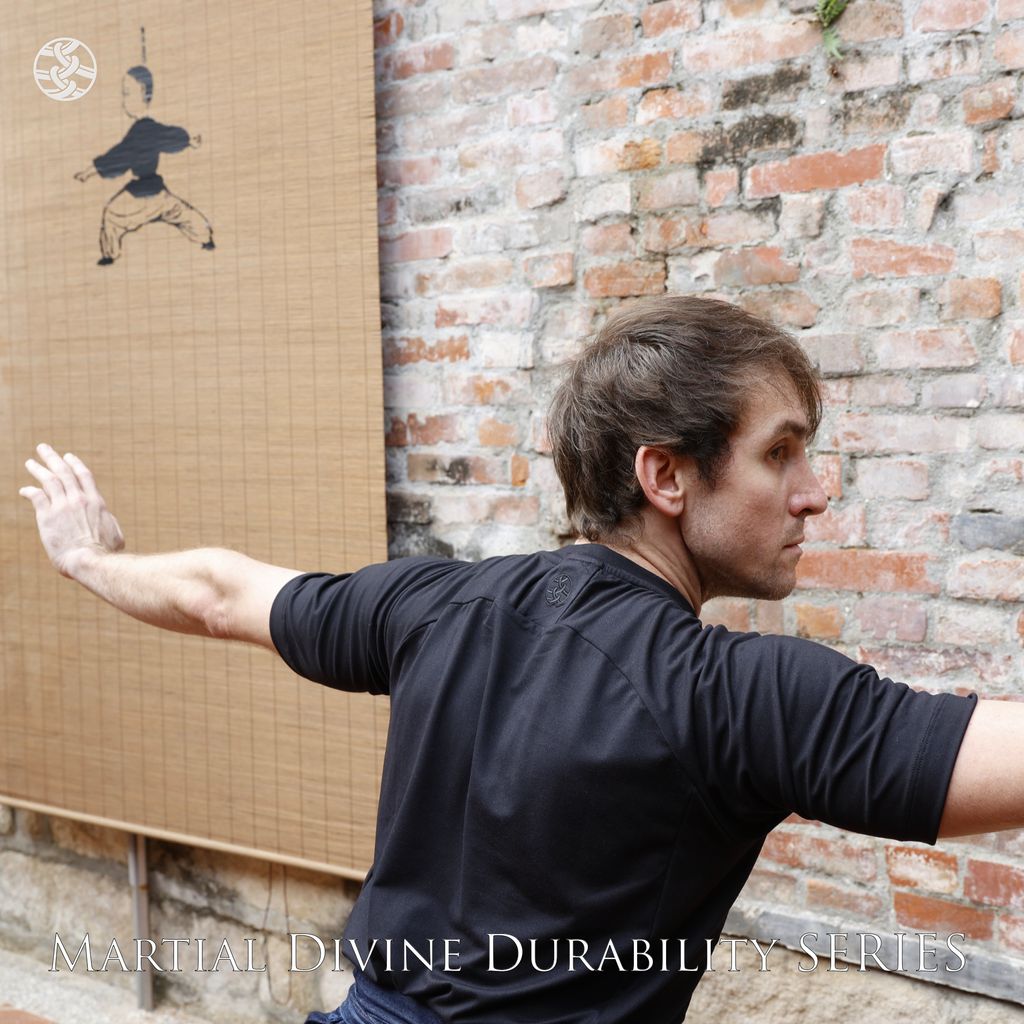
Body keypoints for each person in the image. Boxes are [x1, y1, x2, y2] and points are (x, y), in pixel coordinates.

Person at [18, 296, 1021, 1024]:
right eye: (779, 452)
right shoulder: (728, 693)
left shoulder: (433, 605)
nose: (813, 492)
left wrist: (89, 561)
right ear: (666, 475)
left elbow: (219, 592)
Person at [74, 65, 214, 265]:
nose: (124, 100)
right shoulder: (152, 128)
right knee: (182, 213)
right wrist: (188, 140)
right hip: (159, 193)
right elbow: (170, 136)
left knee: (111, 216)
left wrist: (89, 172)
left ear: (144, 95)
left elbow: (117, 156)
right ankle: (206, 239)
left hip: (139, 196)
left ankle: (109, 256)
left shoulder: (139, 133)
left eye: (127, 93)